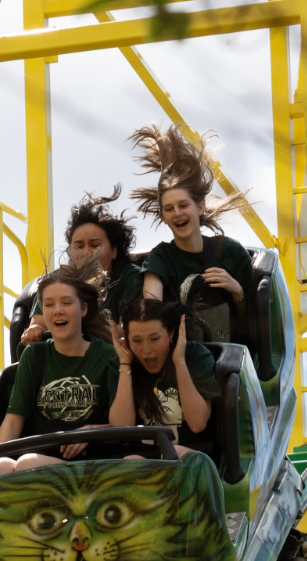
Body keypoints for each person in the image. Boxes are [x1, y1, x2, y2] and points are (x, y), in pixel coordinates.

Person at [0, 264, 116, 476]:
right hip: (46, 454)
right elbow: (13, 421)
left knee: (27, 463)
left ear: (83, 309)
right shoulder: (33, 356)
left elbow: (126, 424)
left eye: (66, 302)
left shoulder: (107, 355)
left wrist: (91, 430)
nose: (57, 310)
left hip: (93, 462)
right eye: (49, 304)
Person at [129, 123, 251, 343]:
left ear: (200, 206)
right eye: (169, 209)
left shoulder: (230, 251)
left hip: (228, 359)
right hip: (185, 355)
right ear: (164, 216)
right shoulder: (161, 257)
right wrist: (154, 310)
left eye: (183, 205)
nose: (177, 213)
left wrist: (236, 290)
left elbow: (256, 323)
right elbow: (152, 303)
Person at [22, 186, 142, 344]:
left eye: (94, 245)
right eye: (79, 246)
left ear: (114, 251)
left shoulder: (130, 276)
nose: (86, 252)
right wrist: (35, 330)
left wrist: (80, 327)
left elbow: (135, 330)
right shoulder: (56, 280)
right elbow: (39, 323)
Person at [109, 297, 221, 459]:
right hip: (142, 460)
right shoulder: (118, 364)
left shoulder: (196, 356)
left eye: (154, 339)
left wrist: (179, 362)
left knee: (172, 454)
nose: (146, 350)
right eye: (137, 340)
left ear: (171, 333)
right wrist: (125, 364)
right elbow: (122, 428)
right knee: (132, 460)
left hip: (191, 455)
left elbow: (197, 423)